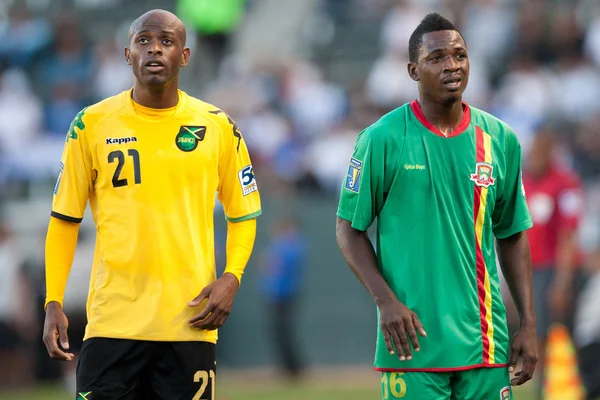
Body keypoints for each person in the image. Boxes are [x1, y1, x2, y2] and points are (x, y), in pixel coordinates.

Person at [42, 9, 261, 400]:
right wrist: (53, 300)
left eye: (166, 41)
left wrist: (233, 276)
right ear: (128, 55)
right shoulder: (90, 124)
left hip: (189, 323)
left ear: (185, 55)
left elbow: (242, 213)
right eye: (144, 41)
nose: (154, 49)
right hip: (112, 324)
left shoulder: (217, 126)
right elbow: (64, 220)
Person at [336, 13, 537, 400]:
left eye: (459, 55)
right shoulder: (382, 139)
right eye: (437, 57)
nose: (452, 65)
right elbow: (348, 229)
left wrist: (527, 323)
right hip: (412, 344)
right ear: (413, 69)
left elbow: (512, 234)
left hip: (485, 342)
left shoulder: (499, 139)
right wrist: (386, 301)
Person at [521, 127, 585, 398]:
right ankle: (544, 388)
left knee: (555, 334)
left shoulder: (565, 183)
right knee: (538, 334)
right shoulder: (523, 181)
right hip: (530, 269)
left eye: (541, 149)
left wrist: (562, 281)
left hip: (554, 269)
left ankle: (560, 387)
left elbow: (567, 236)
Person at [259, 217, 307, 379]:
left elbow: (272, 264)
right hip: (276, 295)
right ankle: (288, 367)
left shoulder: (292, 245)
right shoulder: (281, 245)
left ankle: (294, 368)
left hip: (285, 296)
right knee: (280, 333)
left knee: (285, 332)